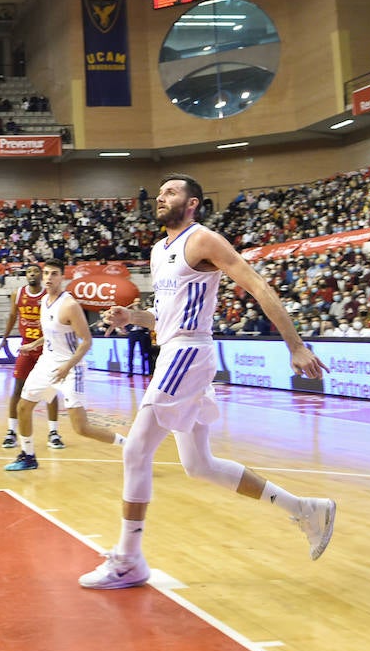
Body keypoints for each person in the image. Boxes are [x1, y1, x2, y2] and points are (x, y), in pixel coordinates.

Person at [86, 174, 336, 590]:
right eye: (159, 192)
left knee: (136, 450)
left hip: (188, 352)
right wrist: (133, 317)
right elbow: (163, 317)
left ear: (192, 204)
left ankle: (129, 560)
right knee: (199, 465)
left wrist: (295, 345)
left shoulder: (203, 239)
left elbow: (258, 285)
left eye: (170, 192)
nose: (160, 197)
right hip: (176, 350)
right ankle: (306, 509)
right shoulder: (158, 250)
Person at [3, 260, 125, 471]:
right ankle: (28, 456)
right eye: (46, 273)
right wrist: (34, 344)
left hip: (70, 368)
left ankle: (129, 445)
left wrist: (67, 367)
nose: (49, 277)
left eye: (54, 274)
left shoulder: (69, 305)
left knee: (81, 428)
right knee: (23, 406)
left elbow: (86, 342)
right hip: (47, 363)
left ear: (62, 277)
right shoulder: (44, 301)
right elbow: (53, 333)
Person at [0, 265, 63, 451]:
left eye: (35, 271)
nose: (32, 274)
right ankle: (11, 432)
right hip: (26, 347)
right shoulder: (18, 294)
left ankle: (53, 433)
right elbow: (12, 316)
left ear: (41, 275)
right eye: (29, 272)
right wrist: (4, 338)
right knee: (17, 388)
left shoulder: (49, 295)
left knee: (49, 390)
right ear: (26, 276)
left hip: (46, 349)